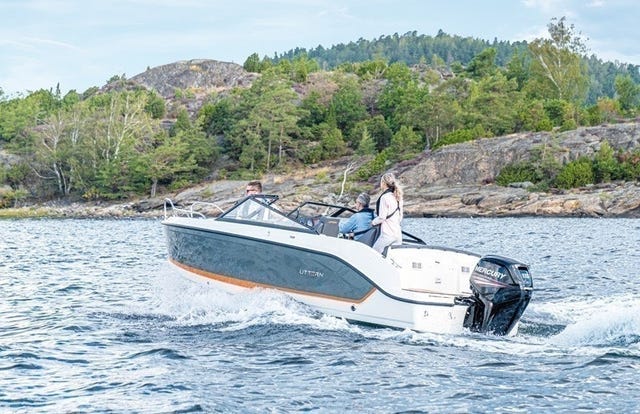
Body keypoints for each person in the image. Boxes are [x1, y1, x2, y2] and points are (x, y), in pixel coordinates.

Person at [371, 172, 403, 254]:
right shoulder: (398, 196)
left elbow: (382, 217)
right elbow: (400, 217)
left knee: (373, 254)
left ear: (383, 183)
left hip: (387, 235)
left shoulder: (384, 197)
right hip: (398, 235)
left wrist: (373, 222)